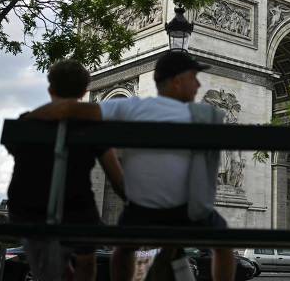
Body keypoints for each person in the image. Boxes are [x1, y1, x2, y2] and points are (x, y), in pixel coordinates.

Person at [25, 51, 236, 281]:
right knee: (224, 245)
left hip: (141, 211)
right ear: (177, 82)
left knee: (122, 249)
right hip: (188, 209)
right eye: (193, 77)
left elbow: (70, 110)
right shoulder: (203, 114)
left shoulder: (134, 107)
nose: (198, 85)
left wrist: (28, 120)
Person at [7, 59, 125, 281]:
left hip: (25, 209)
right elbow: (118, 180)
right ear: (83, 92)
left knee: (52, 266)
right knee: (86, 259)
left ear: (50, 89)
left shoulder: (26, 122)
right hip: (76, 209)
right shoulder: (92, 127)